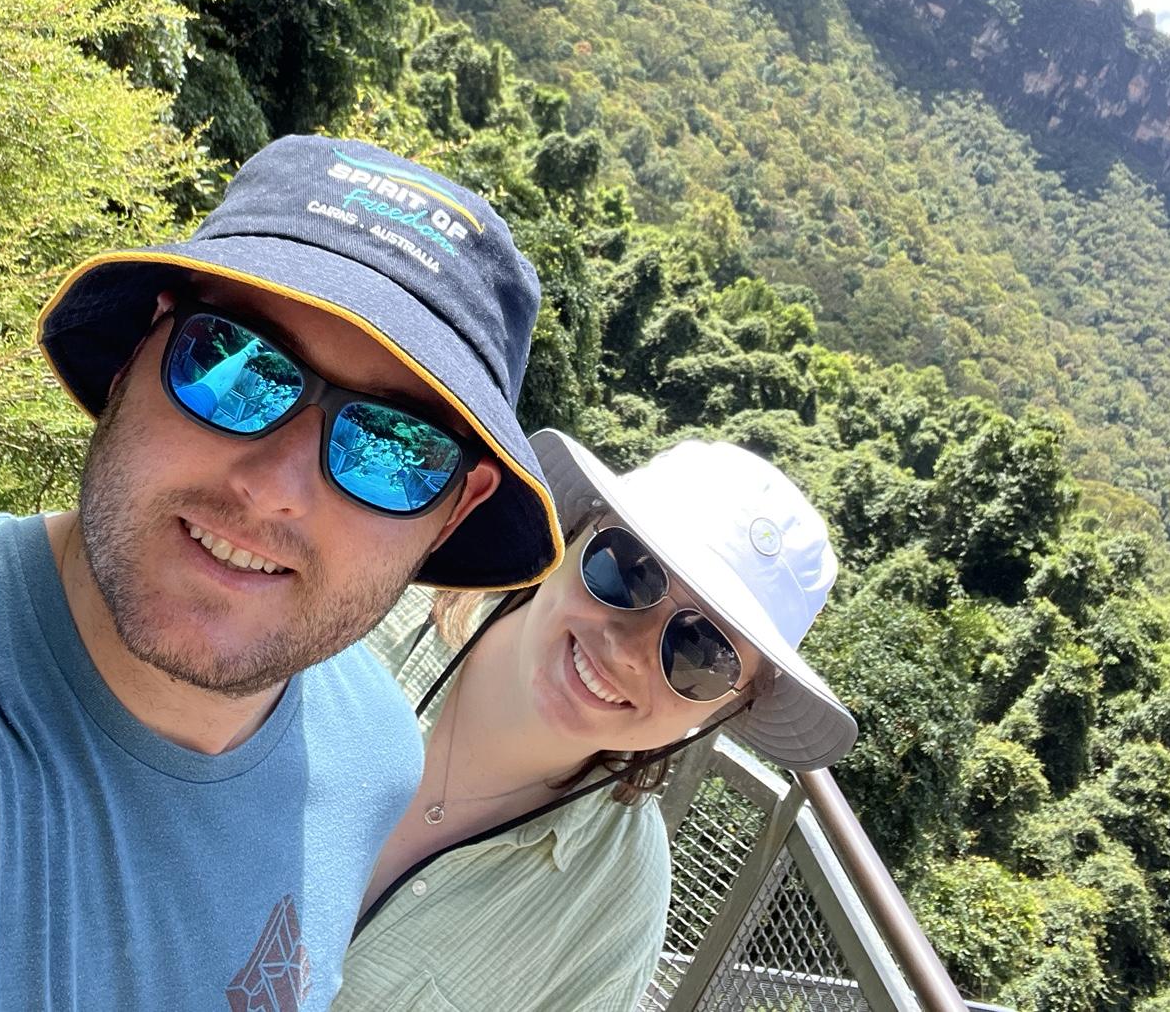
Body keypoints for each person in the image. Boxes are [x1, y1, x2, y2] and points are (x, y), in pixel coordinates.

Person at [0, 135, 564, 1011]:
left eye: (391, 448)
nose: (274, 487)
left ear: (455, 512)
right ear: (138, 353)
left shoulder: (372, 751)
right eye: (233, 363)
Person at [335, 427, 858, 1011]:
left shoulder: (615, 908)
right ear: (575, 532)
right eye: (629, 572)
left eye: (702, 651)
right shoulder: (356, 618)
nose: (629, 651)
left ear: (728, 707)